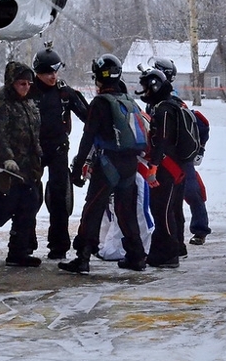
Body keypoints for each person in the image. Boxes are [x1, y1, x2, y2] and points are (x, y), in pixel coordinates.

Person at [59, 54, 148, 274]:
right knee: (126, 210)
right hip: (129, 163)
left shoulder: (100, 103)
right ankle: (136, 255)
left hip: (108, 163)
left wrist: (78, 166)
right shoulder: (126, 99)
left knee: (93, 209)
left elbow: (88, 136)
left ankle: (83, 257)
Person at [30, 43, 89, 260]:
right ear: (38, 72)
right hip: (32, 151)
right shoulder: (28, 91)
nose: (52, 76)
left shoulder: (64, 93)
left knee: (59, 198)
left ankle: (59, 245)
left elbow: (89, 117)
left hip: (57, 150)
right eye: (47, 72)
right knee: (30, 197)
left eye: (55, 71)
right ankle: (27, 243)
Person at [0, 61, 43, 267]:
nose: (26, 87)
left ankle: (18, 251)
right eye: (21, 83)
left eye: (28, 83)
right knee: (6, 205)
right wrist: (6, 158)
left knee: (29, 205)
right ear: (12, 83)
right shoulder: (0, 102)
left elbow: (33, 133)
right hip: (8, 166)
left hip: (29, 166)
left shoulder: (28, 102)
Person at [137, 67, 197, 268]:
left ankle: (169, 253)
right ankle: (172, 247)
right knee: (172, 209)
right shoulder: (173, 104)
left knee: (162, 210)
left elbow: (162, 140)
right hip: (177, 166)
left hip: (167, 167)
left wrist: (153, 166)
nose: (144, 92)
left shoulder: (163, 109)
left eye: (146, 88)